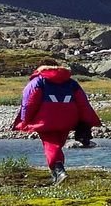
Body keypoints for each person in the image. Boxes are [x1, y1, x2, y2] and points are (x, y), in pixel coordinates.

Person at [13, 58, 102, 186]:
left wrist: (25, 120)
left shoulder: (38, 81)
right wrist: (86, 121)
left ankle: (59, 172)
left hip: (46, 120)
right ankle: (56, 175)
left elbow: (29, 103)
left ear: (40, 68)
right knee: (57, 145)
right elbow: (83, 103)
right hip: (68, 119)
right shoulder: (71, 83)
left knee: (51, 145)